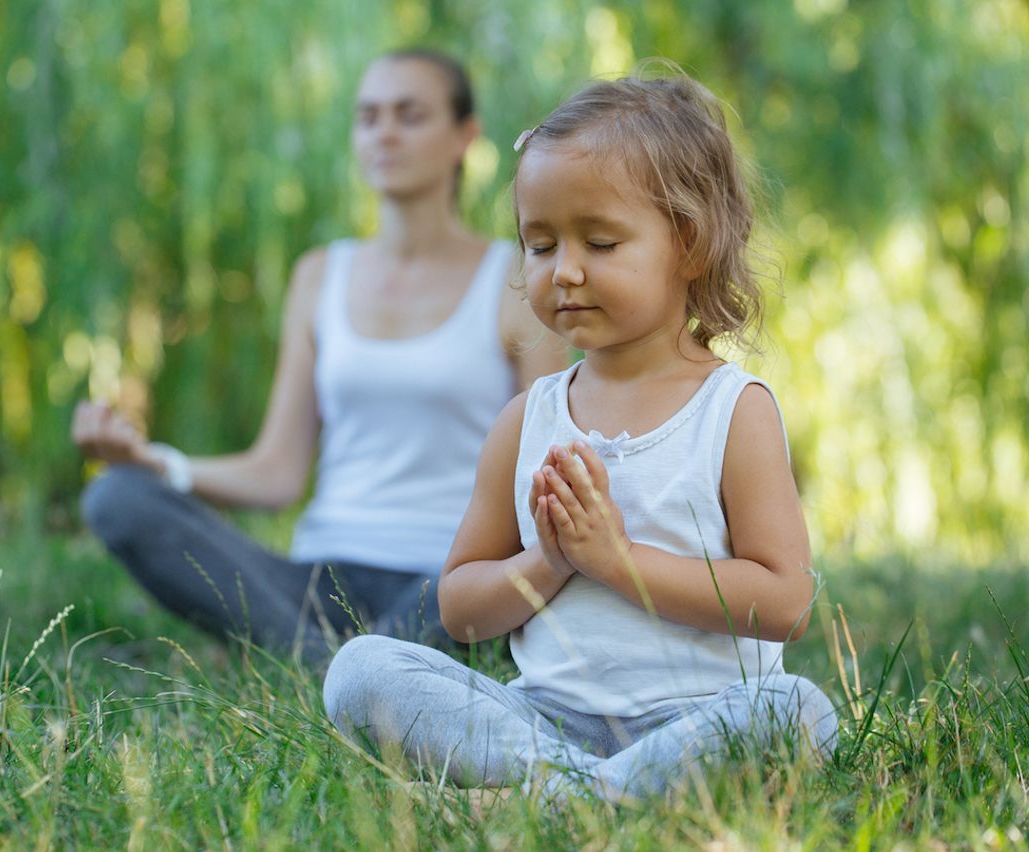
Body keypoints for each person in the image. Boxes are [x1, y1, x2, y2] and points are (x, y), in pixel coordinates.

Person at [323, 66, 838, 801]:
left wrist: (617, 561)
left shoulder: (733, 411)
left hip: (695, 721)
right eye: (539, 246)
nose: (564, 271)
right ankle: (595, 794)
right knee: (359, 670)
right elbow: (460, 608)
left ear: (689, 246)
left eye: (599, 243)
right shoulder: (526, 420)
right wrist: (551, 561)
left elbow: (785, 603)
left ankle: (548, 798)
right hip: (542, 723)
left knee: (796, 712)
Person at [72, 50, 569, 662]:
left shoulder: (518, 278)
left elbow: (542, 465)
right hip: (315, 581)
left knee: (469, 594)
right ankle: (344, 664)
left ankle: (326, 664)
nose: (384, 132)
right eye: (368, 117)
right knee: (117, 497)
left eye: (410, 115)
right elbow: (277, 471)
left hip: (444, 579)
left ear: (465, 136)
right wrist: (154, 463)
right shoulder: (318, 276)